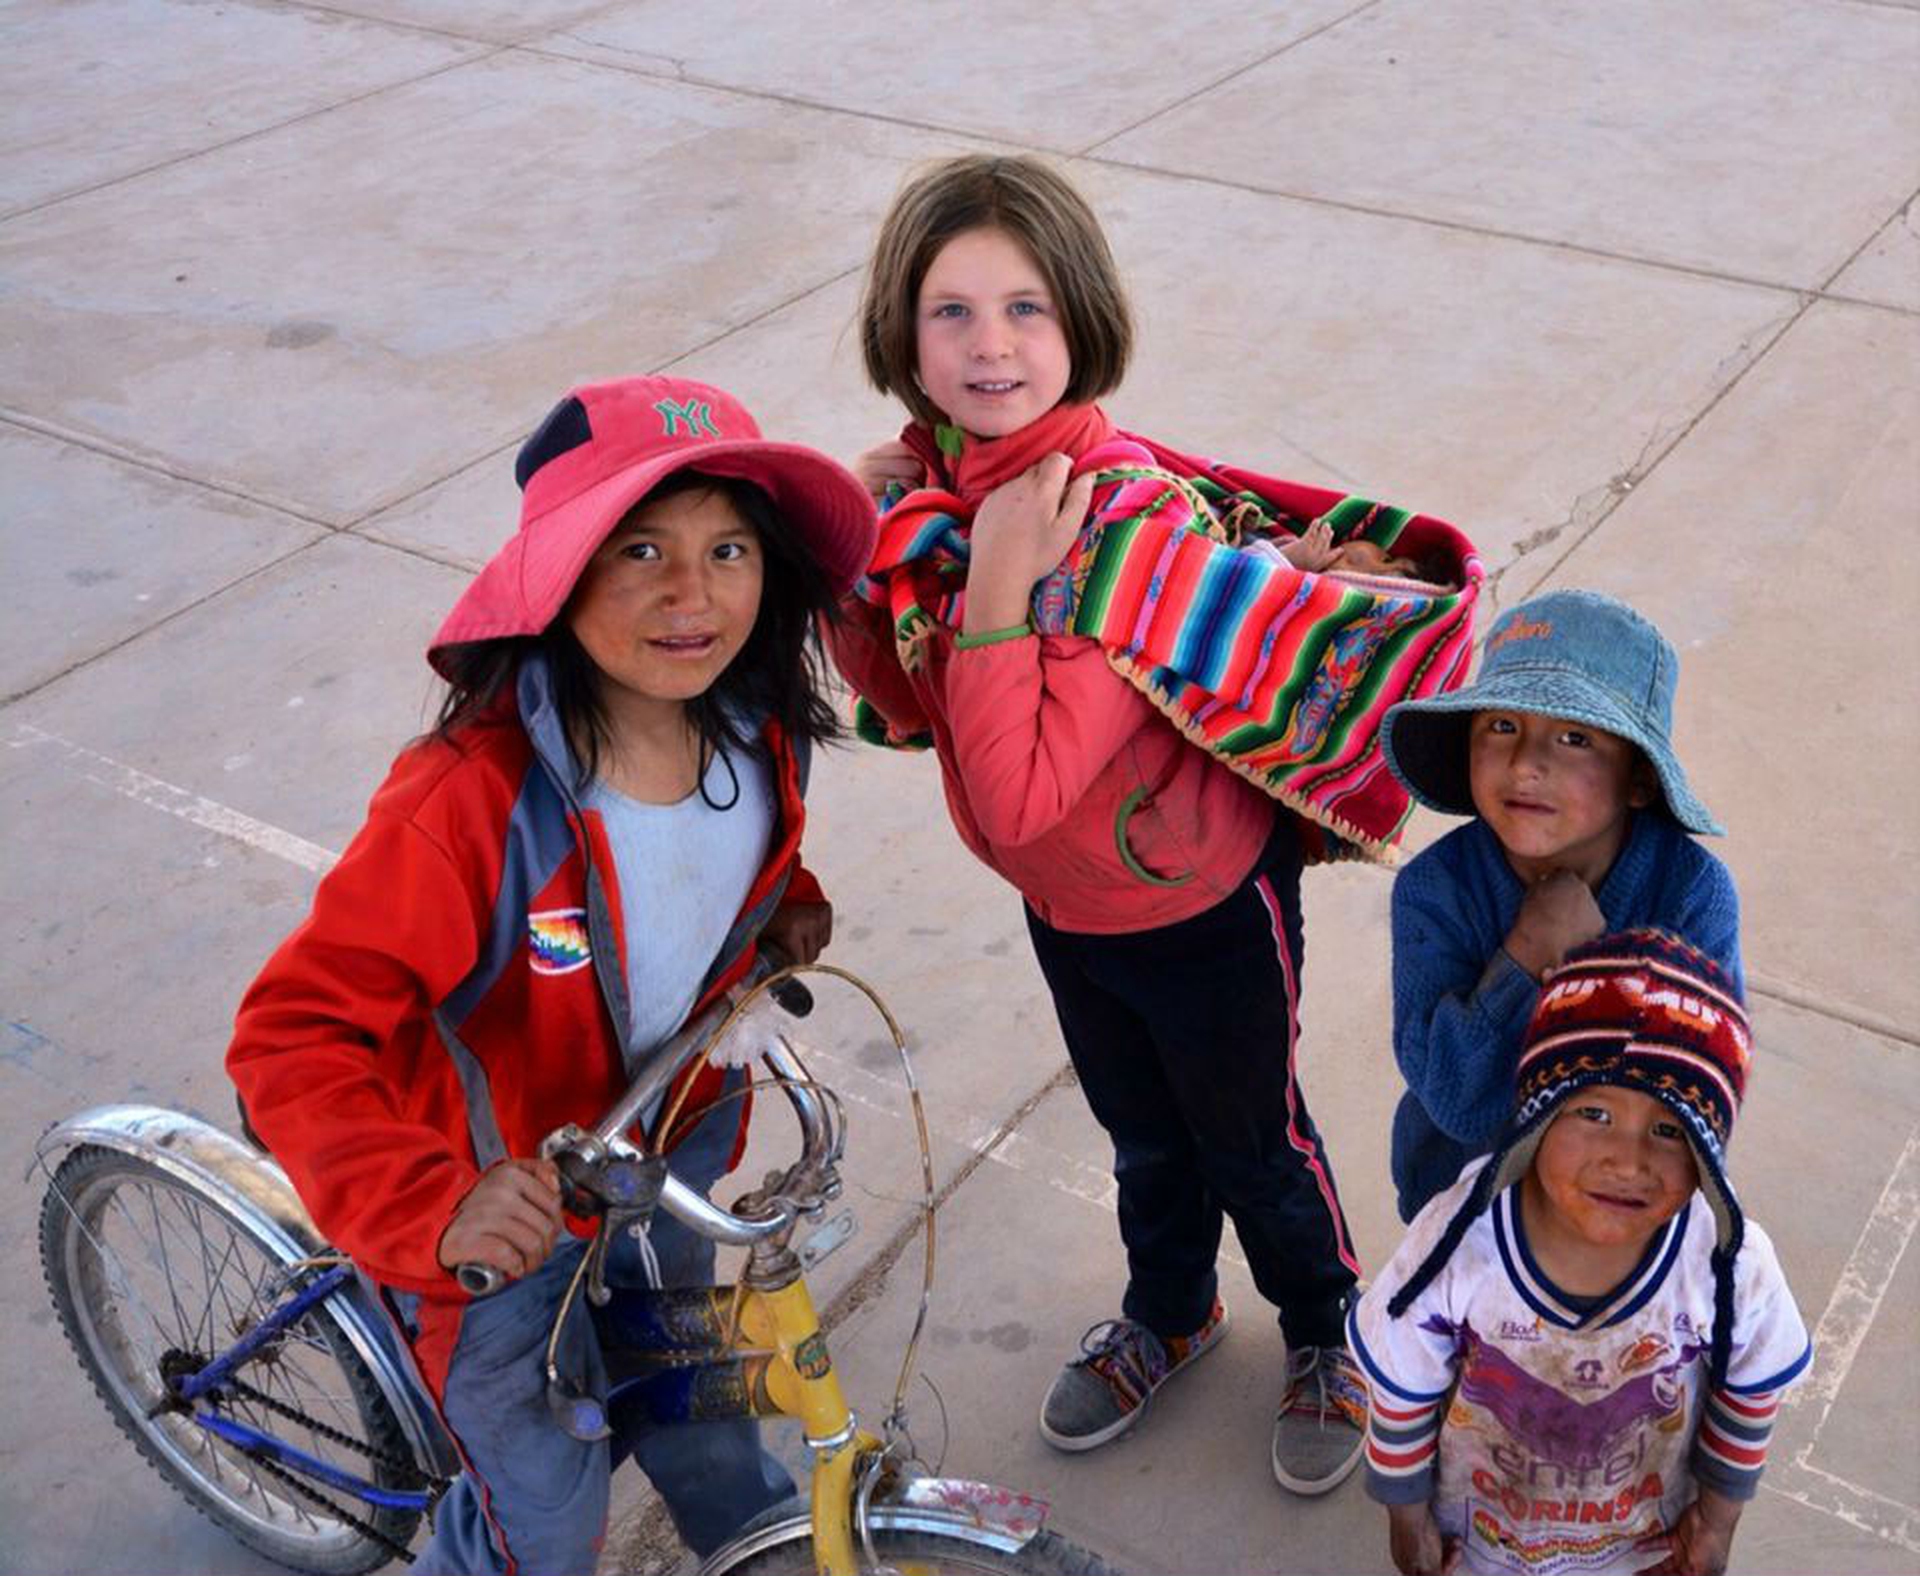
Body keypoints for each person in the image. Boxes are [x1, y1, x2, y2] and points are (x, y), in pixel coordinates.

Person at [225, 375, 877, 1574]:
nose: (695, 595)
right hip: (498, 1234)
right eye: (641, 549)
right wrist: (440, 1209)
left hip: (661, 1165)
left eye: (729, 547)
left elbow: (717, 866)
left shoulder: (751, 728)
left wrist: (781, 901)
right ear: (560, 576)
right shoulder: (465, 805)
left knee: (703, 1415)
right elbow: (293, 1034)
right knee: (545, 1527)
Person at [830, 151, 1374, 1495]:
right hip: (1068, 907)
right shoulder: (955, 487)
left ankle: (1328, 1332)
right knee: (1142, 1131)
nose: (990, 344)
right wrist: (863, 553)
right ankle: (1173, 1310)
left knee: (1255, 1140)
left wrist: (1003, 577)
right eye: (950, 310)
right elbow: (907, 699)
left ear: (1082, 319)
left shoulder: (1117, 518)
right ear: (902, 332)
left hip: (1200, 905)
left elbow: (1016, 780)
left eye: (1025, 307)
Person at [1349, 929, 1810, 1576]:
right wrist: (1407, 1515)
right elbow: (1401, 1385)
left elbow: (1751, 1389)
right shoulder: (1456, 1244)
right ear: (1537, 1114)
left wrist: (1716, 1519)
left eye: (1669, 1129)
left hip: (1647, 1547)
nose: (1628, 1160)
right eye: (1593, 1112)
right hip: (1482, 1545)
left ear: (1708, 1149)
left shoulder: (1728, 1263)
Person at [1379, 590, 1741, 1222]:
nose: (1525, 763)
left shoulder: (1690, 894)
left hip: (1622, 1217)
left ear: (1639, 780)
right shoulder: (1435, 888)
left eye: (1573, 737)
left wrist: (1593, 971)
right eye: (1501, 726)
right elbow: (1455, 1098)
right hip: (1465, 1211)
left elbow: (1693, 1096)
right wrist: (1526, 959)